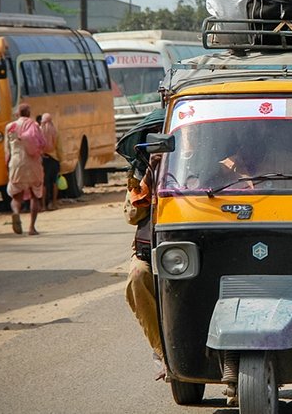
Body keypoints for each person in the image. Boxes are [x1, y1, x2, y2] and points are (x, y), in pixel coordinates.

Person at [117, 109, 166, 381]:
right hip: (151, 250)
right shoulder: (139, 176)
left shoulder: (210, 161)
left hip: (198, 249)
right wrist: (151, 174)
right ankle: (162, 351)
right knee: (137, 276)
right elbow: (132, 215)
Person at [5, 103, 46, 235]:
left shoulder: (9, 127)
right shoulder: (34, 125)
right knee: (34, 195)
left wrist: (8, 166)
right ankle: (32, 228)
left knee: (16, 196)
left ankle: (16, 213)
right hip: (33, 163)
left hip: (16, 162)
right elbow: (42, 143)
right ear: (28, 113)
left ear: (18, 114)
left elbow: (7, 151)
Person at [38, 113, 60, 211]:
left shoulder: (39, 131)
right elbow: (60, 147)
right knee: (54, 182)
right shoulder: (55, 131)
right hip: (54, 158)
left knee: (44, 183)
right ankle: (54, 203)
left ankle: (43, 205)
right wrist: (61, 159)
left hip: (43, 159)